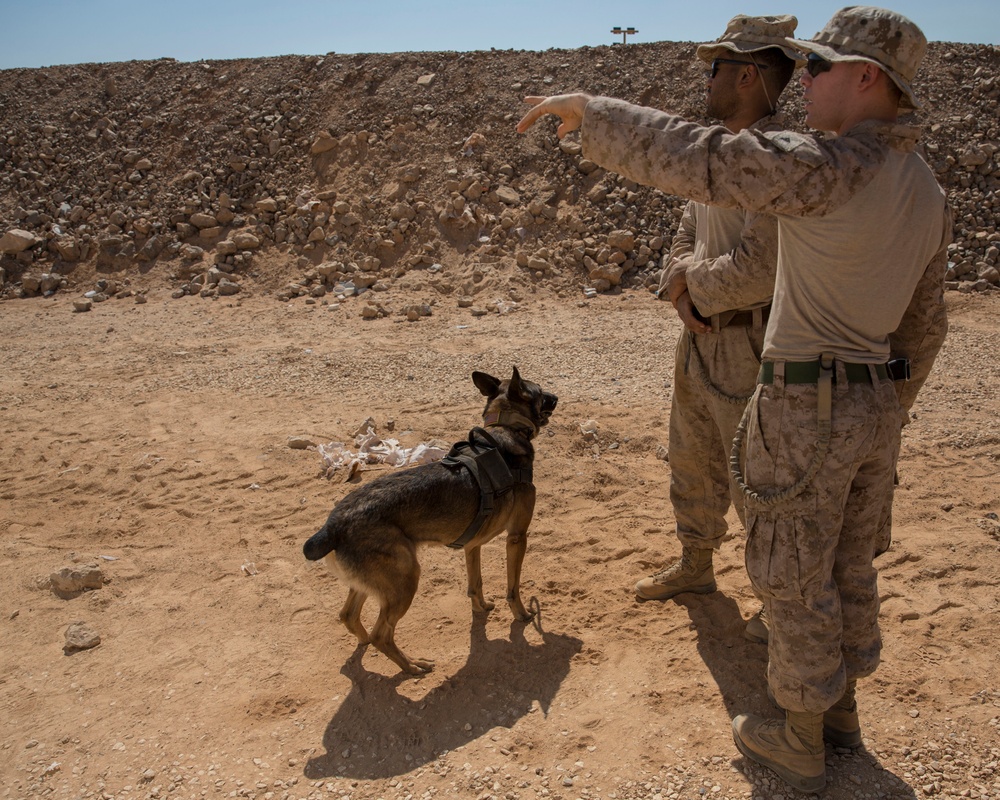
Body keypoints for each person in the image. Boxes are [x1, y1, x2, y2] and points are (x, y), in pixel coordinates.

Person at [517, 6, 950, 793]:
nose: (805, 79)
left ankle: (799, 735)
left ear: (868, 79)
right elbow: (925, 324)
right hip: (870, 404)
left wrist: (598, 115)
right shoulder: (922, 183)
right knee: (847, 564)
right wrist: (887, 408)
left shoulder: (828, 164)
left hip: (805, 399)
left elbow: (707, 158)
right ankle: (840, 714)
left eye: (818, 67)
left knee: (790, 572)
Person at [633, 17, 803, 652]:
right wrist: (680, 289)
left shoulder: (779, 160)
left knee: (750, 477)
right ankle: (697, 565)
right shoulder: (719, 151)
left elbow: (761, 269)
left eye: (716, 68)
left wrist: (688, 286)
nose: (706, 80)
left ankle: (776, 603)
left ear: (748, 75)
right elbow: (687, 226)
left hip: (749, 342)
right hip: (700, 332)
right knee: (692, 455)